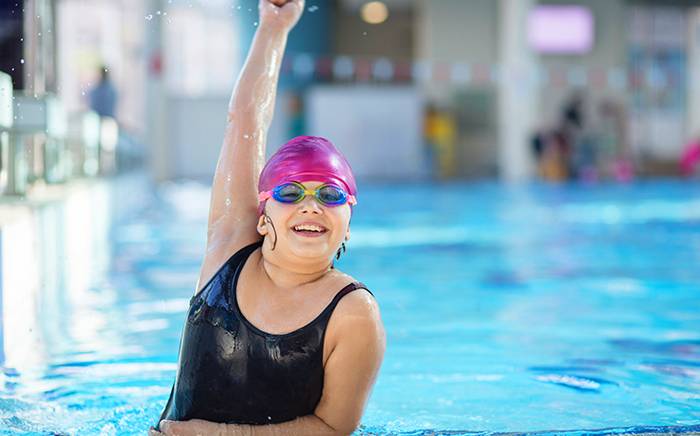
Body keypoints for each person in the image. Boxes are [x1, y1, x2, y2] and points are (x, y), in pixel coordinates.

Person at [150, 1, 386, 435]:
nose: (310, 205)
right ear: (262, 217)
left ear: (348, 224)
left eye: (330, 195)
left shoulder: (353, 313)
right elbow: (245, 122)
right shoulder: (229, 248)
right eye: (290, 192)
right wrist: (274, 28)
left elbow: (333, 429)